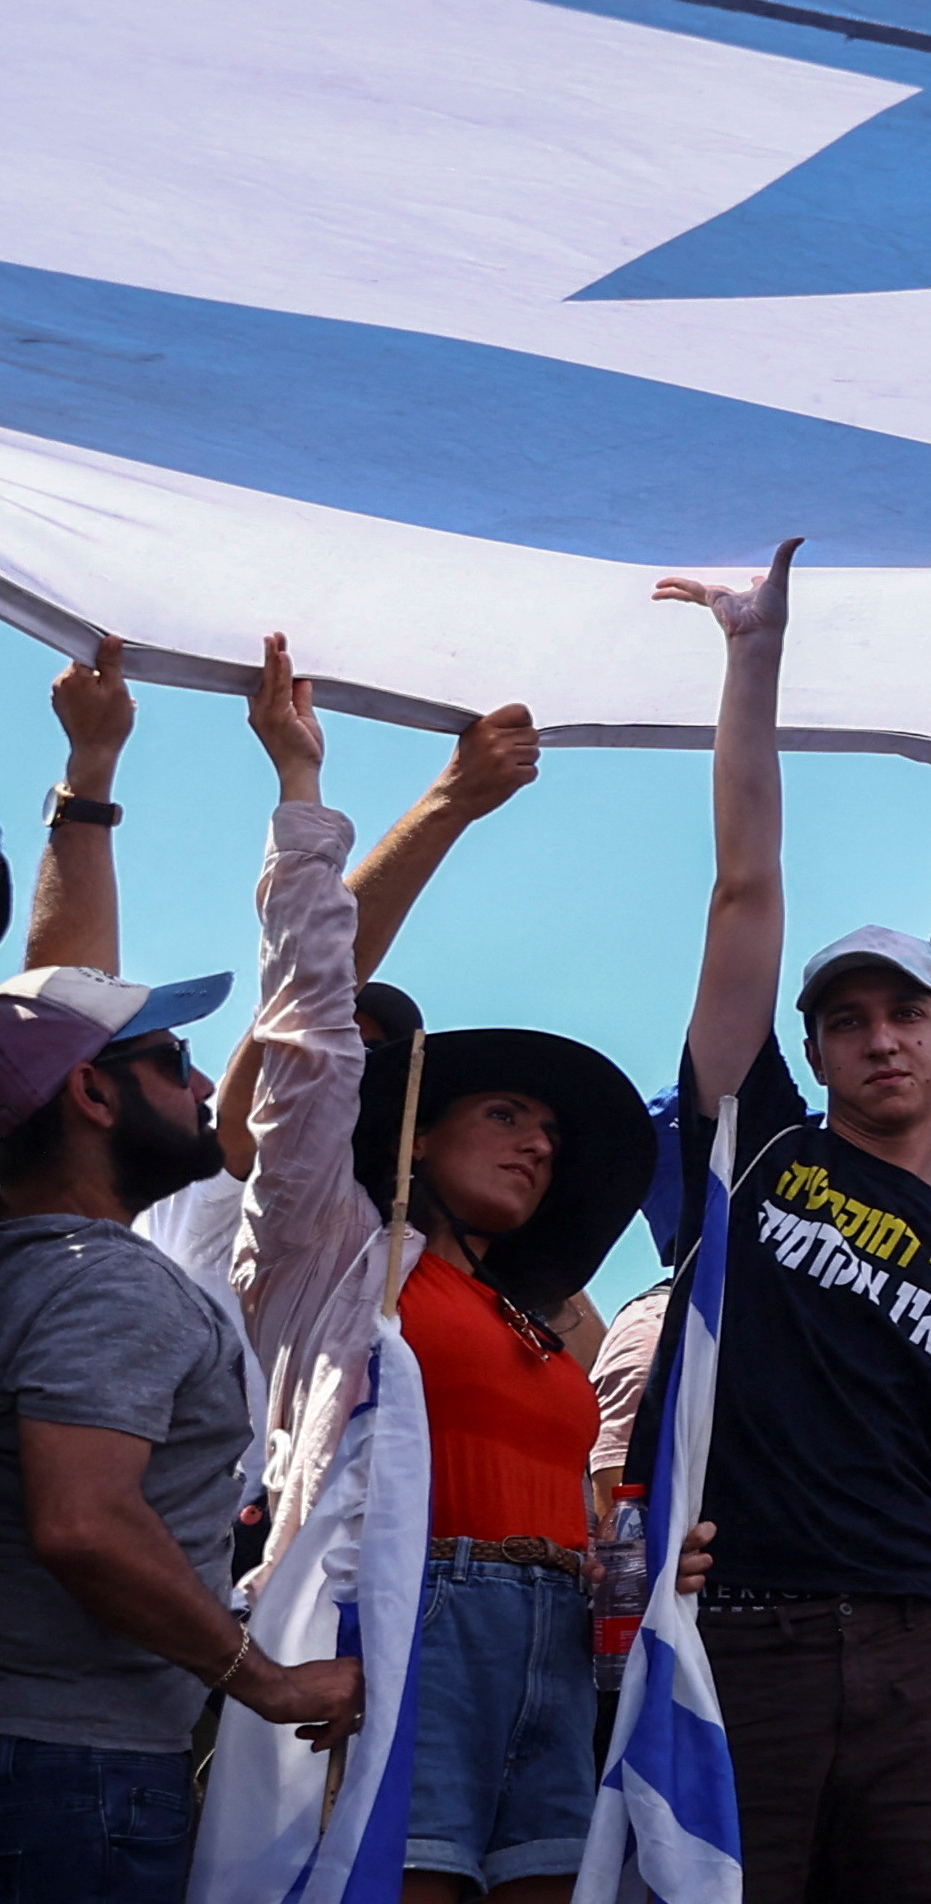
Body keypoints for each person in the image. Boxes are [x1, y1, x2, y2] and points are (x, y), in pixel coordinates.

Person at [650, 541, 931, 1903]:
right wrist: (754, 658)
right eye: (843, 1021)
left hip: (920, 1647)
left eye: (903, 1015)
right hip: (740, 1629)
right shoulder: (761, 1149)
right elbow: (744, 893)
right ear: (813, 1047)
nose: (877, 1042)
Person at [226, 634, 655, 1904]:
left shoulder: (543, 1314)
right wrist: (305, 798)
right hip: (407, 1629)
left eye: (553, 1131)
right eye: (507, 1112)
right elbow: (307, 1030)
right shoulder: (334, 1249)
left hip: (557, 1644)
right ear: (414, 1130)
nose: (538, 1139)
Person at [1, 959, 361, 1899]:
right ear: (90, 1091)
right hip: (74, 1774)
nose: (205, 1088)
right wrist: (267, 1681)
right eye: (174, 1061)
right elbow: (84, 1522)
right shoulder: (108, 1281)